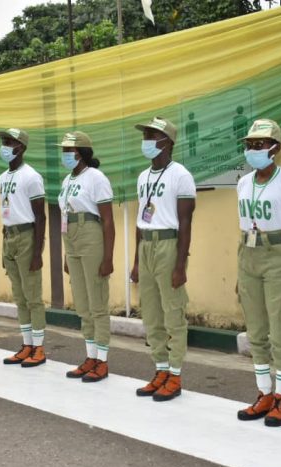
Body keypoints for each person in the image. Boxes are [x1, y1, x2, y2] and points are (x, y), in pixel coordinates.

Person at [234, 119, 281, 427]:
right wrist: (240, 273)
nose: (254, 149)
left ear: (276, 147)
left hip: (278, 255)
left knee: (280, 330)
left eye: (260, 144)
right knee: (256, 330)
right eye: (250, 144)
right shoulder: (243, 183)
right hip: (248, 254)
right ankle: (264, 393)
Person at [131, 116, 196, 402]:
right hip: (146, 244)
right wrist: (136, 260)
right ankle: (160, 369)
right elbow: (139, 220)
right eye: (145, 135)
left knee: (173, 313)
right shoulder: (143, 176)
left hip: (169, 245)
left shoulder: (180, 175)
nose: (145, 141)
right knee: (151, 313)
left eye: (151, 135)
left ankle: (175, 374)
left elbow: (186, 222)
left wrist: (180, 265)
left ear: (167, 142)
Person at [57, 131, 115, 382]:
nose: (64, 155)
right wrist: (66, 254)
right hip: (71, 239)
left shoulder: (96, 178)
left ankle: (102, 360)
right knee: (82, 304)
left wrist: (108, 257)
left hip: (91, 235)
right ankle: (90, 357)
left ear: (80, 153)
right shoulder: (67, 180)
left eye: (68, 151)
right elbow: (64, 217)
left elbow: (108, 220)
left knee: (97, 303)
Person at [0, 128, 48, 368]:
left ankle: (39, 347)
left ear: (22, 147)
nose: (4, 146)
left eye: (9, 142)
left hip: (27, 236)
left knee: (32, 296)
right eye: (4, 142)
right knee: (19, 296)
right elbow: (5, 214)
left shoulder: (31, 177)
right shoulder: (2, 178)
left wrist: (38, 252)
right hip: (10, 236)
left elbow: (40, 216)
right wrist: (3, 247)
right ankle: (27, 344)